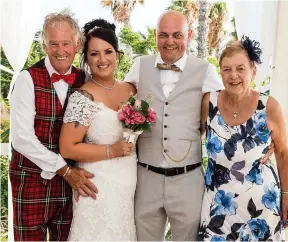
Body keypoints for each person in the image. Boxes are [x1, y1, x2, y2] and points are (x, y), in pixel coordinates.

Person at [124, 10, 223, 241]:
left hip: (188, 179)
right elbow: (117, 100)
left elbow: (225, 110)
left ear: (189, 36)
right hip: (146, 177)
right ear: (155, 36)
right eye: (163, 35)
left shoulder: (205, 70)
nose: (170, 41)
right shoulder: (140, 66)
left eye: (177, 35)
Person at [9, 10, 98, 241]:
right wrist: (65, 170)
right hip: (30, 181)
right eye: (53, 44)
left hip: (71, 186)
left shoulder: (86, 81)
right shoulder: (27, 79)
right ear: (45, 46)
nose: (60, 51)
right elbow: (21, 139)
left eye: (66, 43)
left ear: (78, 44)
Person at [198, 36, 288, 241]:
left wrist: (286, 195)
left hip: (261, 209)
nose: (233, 75)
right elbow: (191, 136)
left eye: (241, 68)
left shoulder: (269, 106)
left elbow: (282, 152)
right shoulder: (208, 102)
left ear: (253, 72)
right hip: (216, 208)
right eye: (227, 69)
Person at [59, 19, 137, 241]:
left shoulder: (132, 91)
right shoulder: (83, 97)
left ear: (117, 55)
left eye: (108, 52)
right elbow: (67, 147)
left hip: (127, 190)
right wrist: (112, 150)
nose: (102, 59)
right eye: (94, 54)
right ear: (86, 59)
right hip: (96, 188)